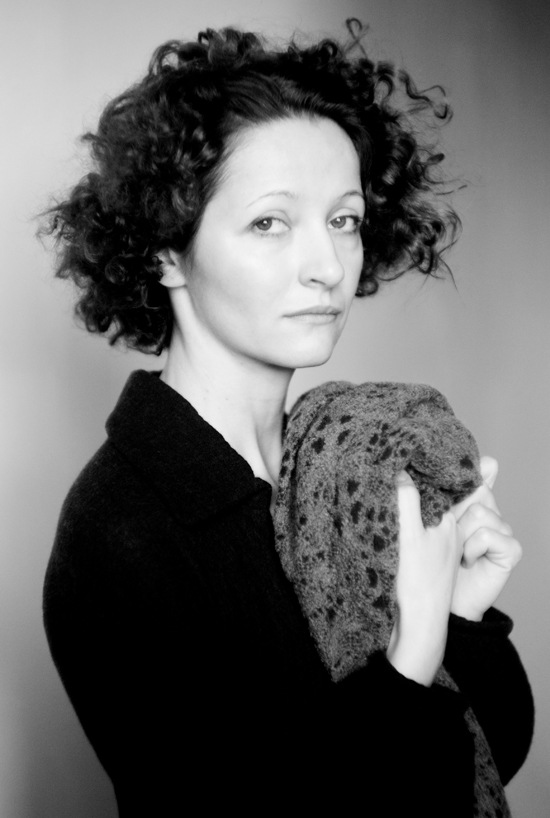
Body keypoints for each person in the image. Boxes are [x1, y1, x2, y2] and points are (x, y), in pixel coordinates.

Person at [42, 22, 533, 817]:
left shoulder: (348, 455)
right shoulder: (117, 530)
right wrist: (410, 658)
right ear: (167, 251)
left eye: (343, 219)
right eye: (270, 222)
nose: (328, 266)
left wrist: (460, 616)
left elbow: (486, 758)